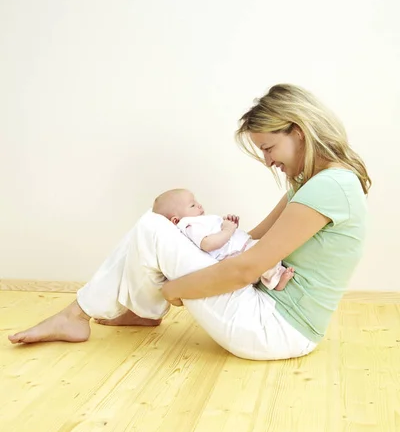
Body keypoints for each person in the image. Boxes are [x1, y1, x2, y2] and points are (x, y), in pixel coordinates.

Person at [8, 83, 371, 361]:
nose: (267, 161)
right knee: (165, 231)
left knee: (153, 227)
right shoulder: (314, 184)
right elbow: (253, 238)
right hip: (269, 314)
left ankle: (96, 313)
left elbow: (245, 268)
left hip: (276, 329)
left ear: (298, 131)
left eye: (268, 148)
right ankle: (132, 311)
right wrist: (201, 238)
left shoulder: (330, 187)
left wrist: (172, 289)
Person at [152, 188, 294, 290]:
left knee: (266, 251)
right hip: (237, 256)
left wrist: (231, 226)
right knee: (265, 254)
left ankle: (273, 277)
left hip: (243, 249)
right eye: (193, 205)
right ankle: (277, 282)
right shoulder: (189, 225)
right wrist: (228, 230)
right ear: (176, 220)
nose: (199, 205)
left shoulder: (199, 222)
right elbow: (208, 244)